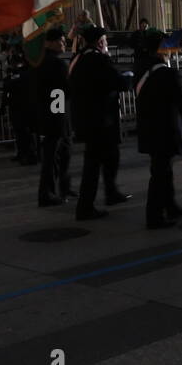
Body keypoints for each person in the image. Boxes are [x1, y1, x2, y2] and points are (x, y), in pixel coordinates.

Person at [135, 27, 182, 229]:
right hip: (165, 128)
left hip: (148, 127)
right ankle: (154, 216)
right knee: (160, 173)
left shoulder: (141, 69)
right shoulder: (166, 73)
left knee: (163, 170)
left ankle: (170, 205)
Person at [69, 26, 131, 220]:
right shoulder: (97, 59)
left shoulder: (77, 59)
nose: (107, 43)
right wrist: (128, 78)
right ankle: (86, 206)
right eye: (105, 40)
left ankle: (110, 192)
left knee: (109, 156)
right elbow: (117, 82)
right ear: (99, 42)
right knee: (94, 164)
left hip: (85, 118)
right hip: (101, 120)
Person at [34, 27, 75, 206]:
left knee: (62, 154)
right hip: (57, 118)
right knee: (53, 157)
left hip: (53, 116)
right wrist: (58, 118)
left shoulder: (44, 62)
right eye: (60, 40)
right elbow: (62, 91)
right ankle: (47, 193)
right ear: (49, 43)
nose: (63, 42)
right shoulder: (56, 64)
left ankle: (63, 188)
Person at [2, 44, 38, 164]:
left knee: (27, 132)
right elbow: (7, 88)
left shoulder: (26, 71)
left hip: (25, 105)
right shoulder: (13, 72)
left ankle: (31, 155)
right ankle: (22, 153)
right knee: (19, 132)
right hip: (15, 106)